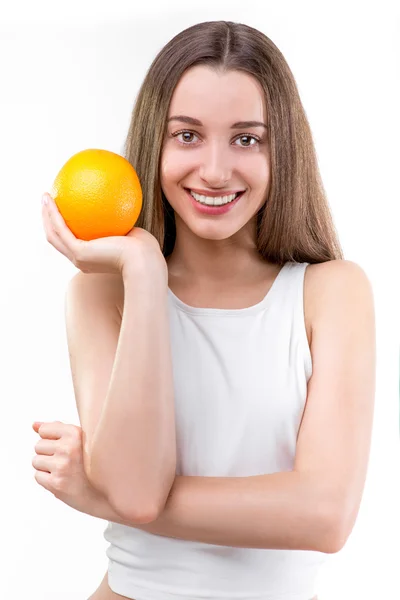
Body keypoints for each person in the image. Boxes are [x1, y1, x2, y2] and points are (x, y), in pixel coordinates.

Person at [39, 20, 376, 600]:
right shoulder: (101, 292)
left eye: (246, 138)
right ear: (155, 142)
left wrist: (101, 495)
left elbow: (325, 516)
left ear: (282, 148)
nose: (215, 171)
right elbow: (137, 493)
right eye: (187, 135)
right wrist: (143, 271)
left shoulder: (332, 293)